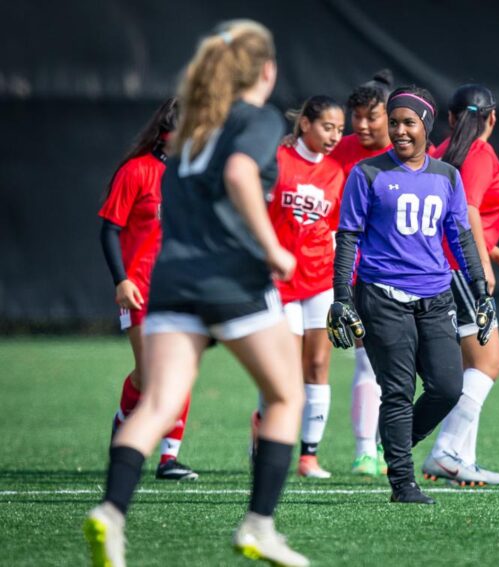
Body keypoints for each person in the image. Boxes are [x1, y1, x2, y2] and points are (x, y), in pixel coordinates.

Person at [84, 20, 309, 567]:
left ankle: (111, 513)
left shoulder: (190, 132)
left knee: (157, 403)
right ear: (268, 70)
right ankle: (258, 525)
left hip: (171, 283)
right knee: (286, 397)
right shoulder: (251, 121)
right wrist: (272, 249)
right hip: (230, 281)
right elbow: (237, 174)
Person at [327, 85, 497, 504]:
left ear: (426, 125)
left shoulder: (447, 176)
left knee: (447, 387)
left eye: (409, 122)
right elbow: (348, 237)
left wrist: (480, 290)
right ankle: (403, 483)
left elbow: (459, 238)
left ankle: (396, 440)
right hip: (382, 295)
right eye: (395, 122)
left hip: (436, 295)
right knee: (398, 391)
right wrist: (341, 297)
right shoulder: (366, 174)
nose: (400, 130)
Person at [422, 84, 499, 487]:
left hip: (439, 267)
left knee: (473, 366)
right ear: (493, 117)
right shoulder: (479, 153)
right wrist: (483, 267)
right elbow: (465, 209)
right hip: (458, 268)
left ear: (450, 117)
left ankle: (461, 458)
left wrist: (498, 256)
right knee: (488, 364)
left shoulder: (440, 152)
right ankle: (446, 452)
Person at [98, 97, 197, 481]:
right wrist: (120, 280)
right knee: (150, 374)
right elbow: (109, 229)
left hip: (181, 289)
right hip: (140, 288)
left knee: (180, 371)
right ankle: (124, 427)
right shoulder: (137, 171)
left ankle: (168, 458)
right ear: (165, 133)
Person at [265, 95, 346, 479]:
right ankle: (265, 435)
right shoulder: (276, 161)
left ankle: (308, 456)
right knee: (284, 372)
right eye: (328, 127)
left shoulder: (335, 172)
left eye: (340, 130)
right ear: (306, 125)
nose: (334, 136)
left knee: (317, 364)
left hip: (319, 279)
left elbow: (332, 228)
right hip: (279, 283)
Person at [330, 70, 393, 476]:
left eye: (373, 116)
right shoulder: (340, 151)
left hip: (406, 271)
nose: (363, 125)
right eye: (358, 116)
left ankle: (395, 444)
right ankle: (366, 451)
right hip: (354, 272)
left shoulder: (413, 154)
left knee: (406, 364)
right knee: (367, 362)